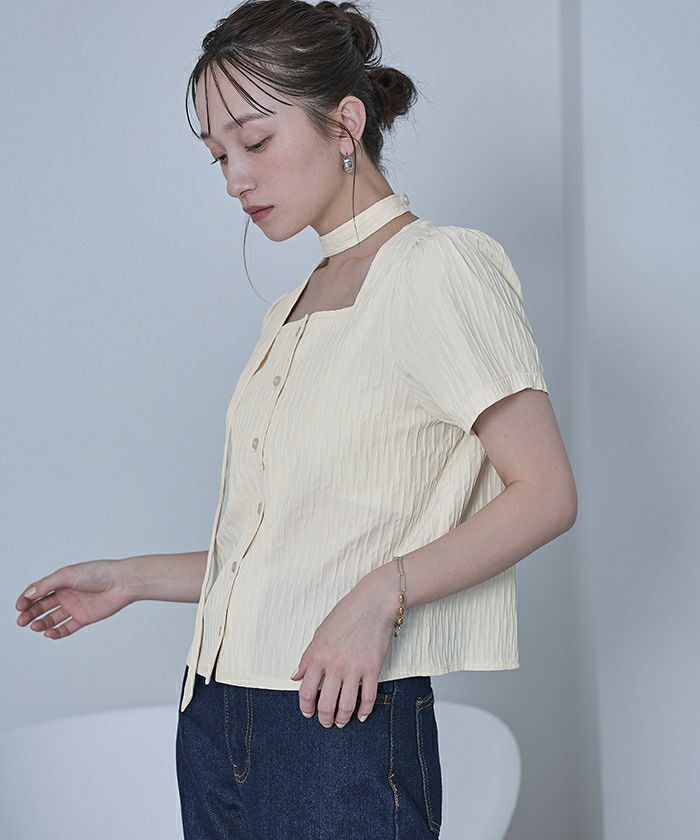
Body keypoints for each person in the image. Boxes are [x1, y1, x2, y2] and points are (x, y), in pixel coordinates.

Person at [14, 0, 578, 837]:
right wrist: (131, 578)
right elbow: (292, 553)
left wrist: (381, 595)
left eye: (254, 142)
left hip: (336, 722)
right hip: (214, 713)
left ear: (344, 123)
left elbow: (546, 494)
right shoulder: (292, 308)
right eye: (218, 156)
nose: (234, 180)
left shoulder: (436, 269)